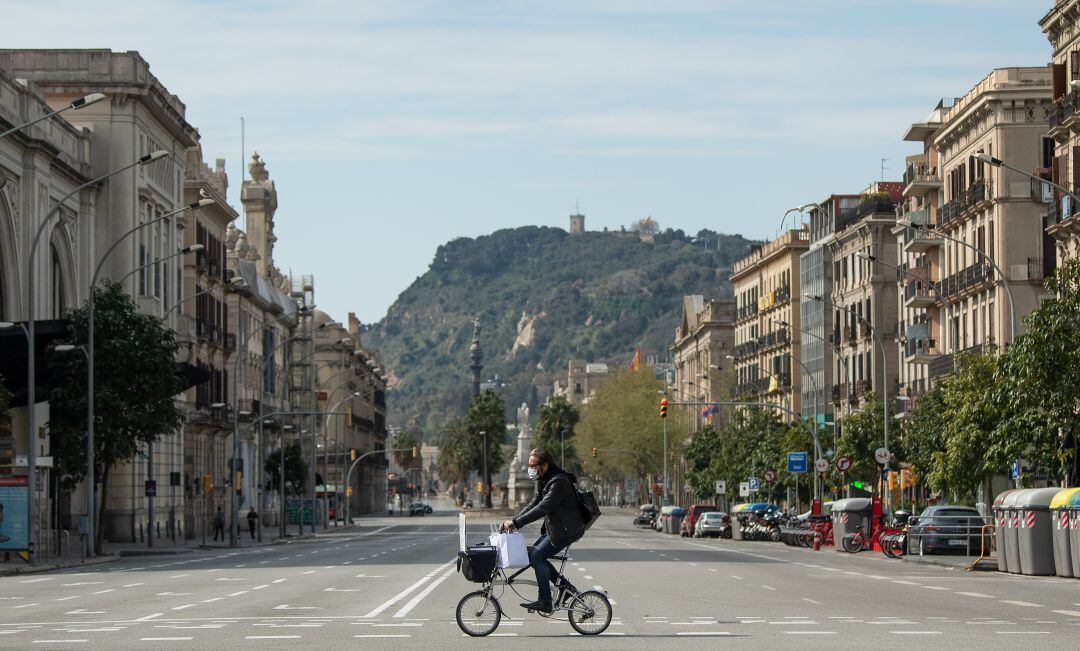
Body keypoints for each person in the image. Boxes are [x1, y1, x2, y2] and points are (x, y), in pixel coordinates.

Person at [500, 448, 586, 614]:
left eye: (534, 465)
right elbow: (533, 503)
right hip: (557, 528)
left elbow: (543, 508)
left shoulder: (559, 482)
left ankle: (545, 601)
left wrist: (517, 523)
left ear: (545, 465)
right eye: (529, 465)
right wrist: (513, 520)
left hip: (568, 529)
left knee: (537, 556)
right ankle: (564, 588)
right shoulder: (543, 479)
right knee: (533, 555)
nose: (530, 469)